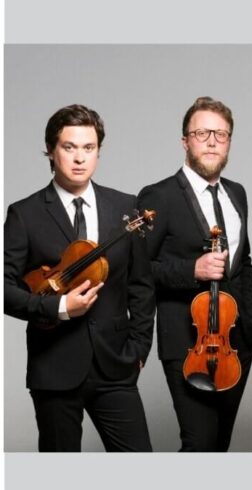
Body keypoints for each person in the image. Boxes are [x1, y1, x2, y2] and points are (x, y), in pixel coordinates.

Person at [4, 104, 154, 451]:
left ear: (98, 153)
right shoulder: (24, 215)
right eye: (69, 147)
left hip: (115, 365)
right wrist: (57, 307)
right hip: (54, 367)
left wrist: (139, 349)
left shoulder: (126, 208)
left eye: (89, 148)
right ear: (51, 152)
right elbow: (4, 288)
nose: (79, 158)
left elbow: (141, 287)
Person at [137, 96, 252, 451]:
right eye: (202, 132)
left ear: (229, 143)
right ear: (185, 141)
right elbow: (139, 269)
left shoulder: (237, 193)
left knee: (219, 444)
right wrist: (193, 269)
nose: (211, 141)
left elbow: (244, 261)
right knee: (200, 443)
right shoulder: (158, 196)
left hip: (235, 343)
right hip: (188, 343)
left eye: (220, 134)